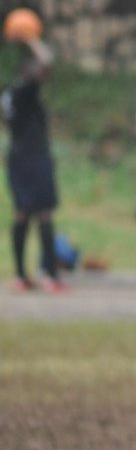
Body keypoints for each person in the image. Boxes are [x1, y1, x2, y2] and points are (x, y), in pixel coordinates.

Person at [3, 28, 65, 293]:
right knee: (44, 213)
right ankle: (49, 275)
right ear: (28, 71)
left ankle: (20, 275)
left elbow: (5, 122)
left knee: (22, 214)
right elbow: (48, 63)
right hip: (34, 156)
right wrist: (31, 39)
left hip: (16, 156)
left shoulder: (9, 93)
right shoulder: (26, 89)